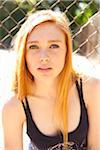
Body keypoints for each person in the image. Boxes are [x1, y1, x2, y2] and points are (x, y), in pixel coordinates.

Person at [2, 9, 100, 150]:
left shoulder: (92, 89)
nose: (44, 57)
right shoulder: (14, 106)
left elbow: (96, 146)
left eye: (54, 46)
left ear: (67, 51)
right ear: (24, 54)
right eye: (33, 46)